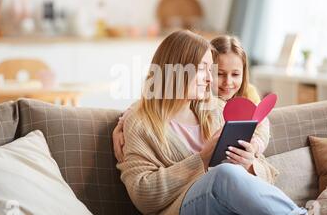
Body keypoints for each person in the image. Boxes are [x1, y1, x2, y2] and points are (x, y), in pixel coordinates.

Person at [115, 30, 327, 215]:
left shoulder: (216, 110)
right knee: (223, 174)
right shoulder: (140, 122)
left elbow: (266, 170)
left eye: (211, 71)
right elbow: (143, 195)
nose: (210, 80)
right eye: (203, 70)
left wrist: (250, 165)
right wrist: (202, 159)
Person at [113, 34, 269, 163]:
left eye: (235, 74)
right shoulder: (198, 98)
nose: (227, 82)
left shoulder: (246, 94)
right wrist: (122, 124)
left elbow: (261, 121)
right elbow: (150, 103)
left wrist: (255, 146)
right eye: (219, 73)